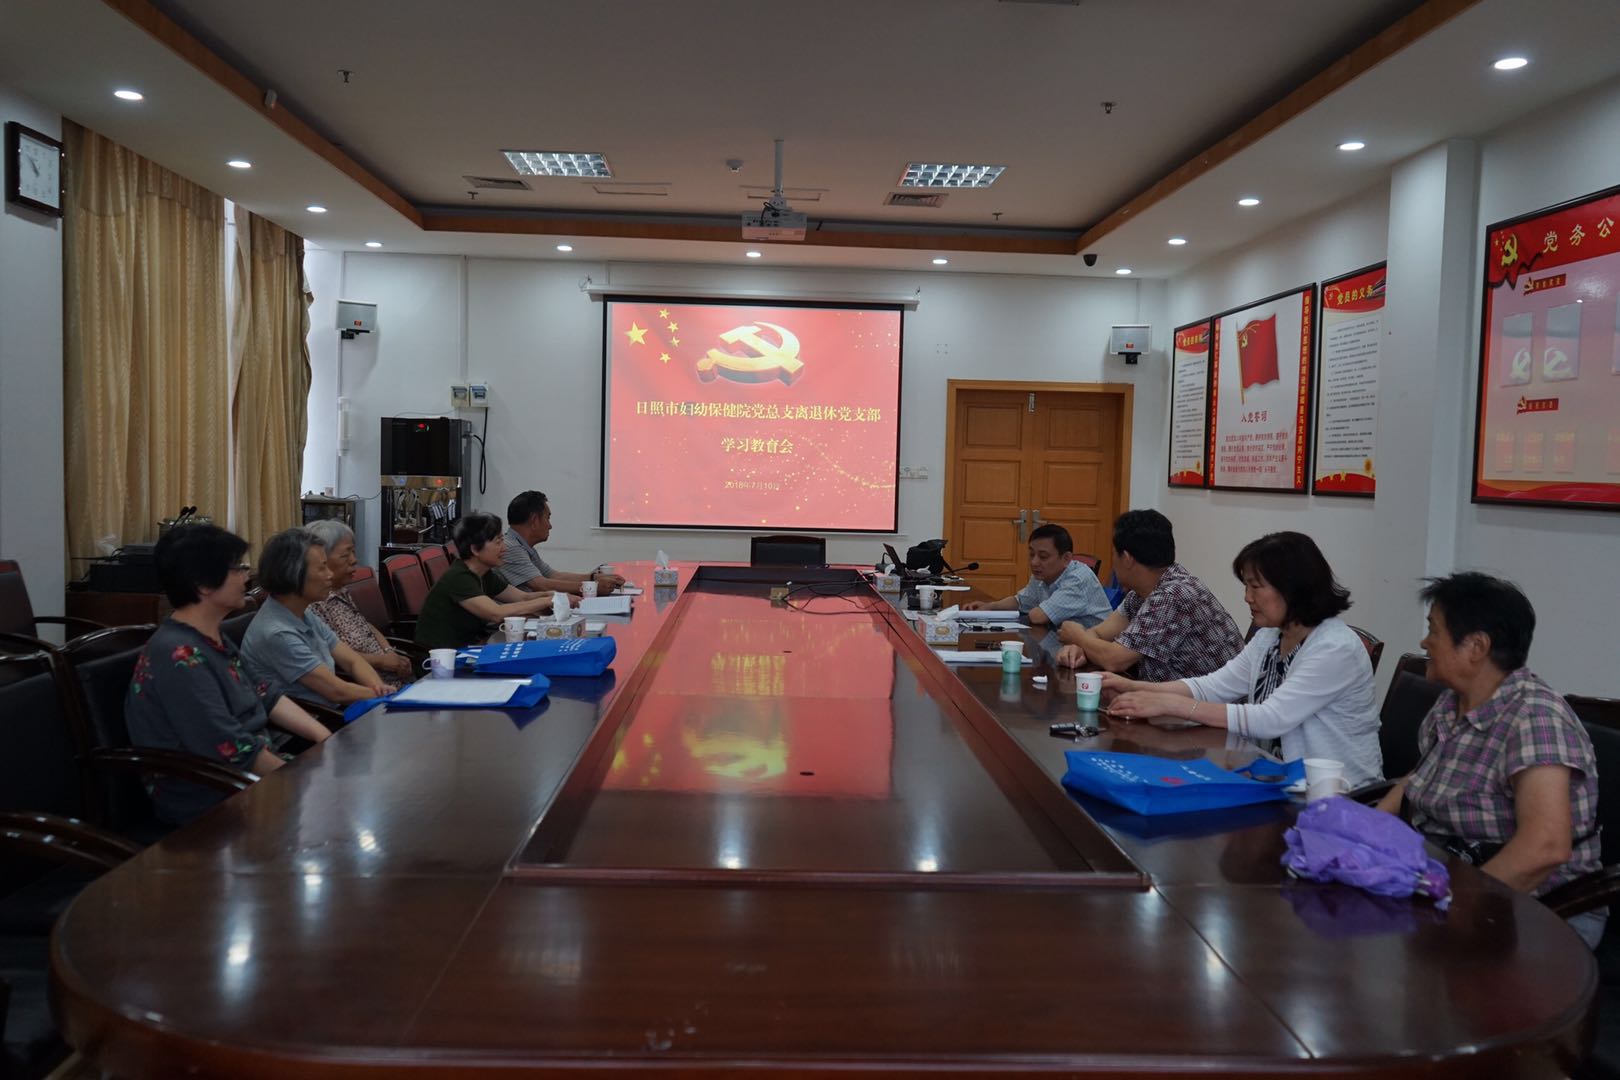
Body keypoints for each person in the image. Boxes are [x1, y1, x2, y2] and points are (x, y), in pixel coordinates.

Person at [1375, 572, 1603, 948]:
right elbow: (1418, 780)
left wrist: (1449, 906)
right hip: (1448, 873)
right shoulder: (1451, 704)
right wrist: (1361, 834)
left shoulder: (1535, 718)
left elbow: (1544, 847)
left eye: (1433, 630)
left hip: (1535, 907)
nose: (1424, 641)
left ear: (1476, 646)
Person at [1103, 531, 1381, 787]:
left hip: (1337, 794)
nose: (1247, 597)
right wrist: (1131, 688)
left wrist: (1175, 705)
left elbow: (1271, 718)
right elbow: (1211, 687)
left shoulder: (1335, 648)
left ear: (1293, 588)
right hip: (1276, 781)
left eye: (1255, 586)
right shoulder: (1270, 638)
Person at [126, 524, 331, 824]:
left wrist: (325, 739)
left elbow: (265, 693)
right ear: (203, 585)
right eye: (237, 568)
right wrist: (304, 785)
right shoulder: (177, 655)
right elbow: (231, 748)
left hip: (250, 776)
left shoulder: (210, 637)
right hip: (213, 798)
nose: (246, 576)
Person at [1055, 509, 1243, 680]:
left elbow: (1115, 659)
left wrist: (1077, 637)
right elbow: (1099, 633)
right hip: (1169, 699)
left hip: (1208, 709)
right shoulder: (1142, 592)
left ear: (1127, 559)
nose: (1113, 562)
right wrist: (1079, 648)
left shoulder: (1173, 595)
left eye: (1114, 554)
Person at [240, 528, 390, 708]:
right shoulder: (277, 632)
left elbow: (352, 661)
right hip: (317, 723)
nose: (330, 575)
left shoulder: (303, 613)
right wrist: (385, 695)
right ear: (293, 574)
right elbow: (335, 691)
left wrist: (379, 689)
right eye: (321, 568)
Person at [416, 511, 554, 649]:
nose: (504, 548)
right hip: (440, 658)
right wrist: (545, 601)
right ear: (475, 549)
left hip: (471, 646)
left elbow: (523, 597)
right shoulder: (459, 578)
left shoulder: (484, 573)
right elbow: (496, 614)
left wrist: (553, 596)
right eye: (498, 542)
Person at [304, 518, 414, 692]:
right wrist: (382, 662)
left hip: (389, 679)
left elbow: (364, 624)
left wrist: (388, 651)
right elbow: (335, 658)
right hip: (365, 687)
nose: (354, 560)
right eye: (346, 555)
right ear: (321, 559)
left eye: (353, 552)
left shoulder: (340, 590)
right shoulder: (312, 603)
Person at [959, 523, 1111, 628]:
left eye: (1043, 556)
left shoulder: (1078, 579)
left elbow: (1038, 617)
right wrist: (990, 607)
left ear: (1066, 558)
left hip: (1096, 652)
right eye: (1032, 554)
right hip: (1066, 643)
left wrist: (1035, 609)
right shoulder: (1042, 574)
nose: (1034, 562)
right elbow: (1021, 601)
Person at [499, 490, 625, 596]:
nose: (550, 526)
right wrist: (591, 587)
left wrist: (593, 578)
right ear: (534, 521)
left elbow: (554, 576)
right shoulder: (511, 547)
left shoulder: (522, 545)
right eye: (547, 518)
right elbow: (541, 585)